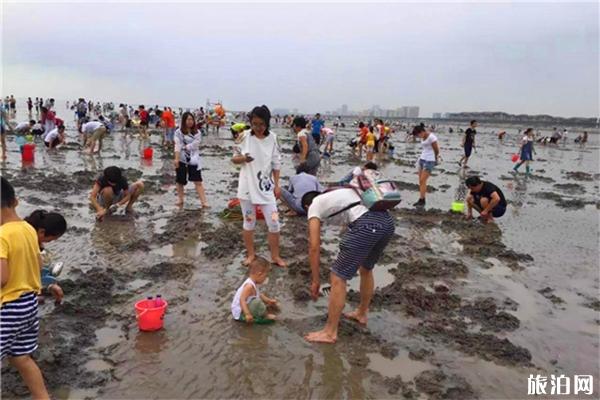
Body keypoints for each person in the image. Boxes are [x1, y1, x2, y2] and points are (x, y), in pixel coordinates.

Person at [300, 182, 395, 344]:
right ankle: (362, 313)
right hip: (387, 222)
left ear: (307, 206)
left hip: (367, 224)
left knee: (337, 276)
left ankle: (330, 332)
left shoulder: (314, 206)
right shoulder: (338, 194)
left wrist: (315, 280)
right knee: (366, 268)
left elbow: (314, 246)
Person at [0, 177, 50, 399]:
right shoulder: (28, 229)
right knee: (22, 358)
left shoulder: (1, 236)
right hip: (29, 305)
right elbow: (38, 264)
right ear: (15, 202)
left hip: (7, 309)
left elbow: (2, 278)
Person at [231, 105, 286, 267]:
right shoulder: (244, 136)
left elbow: (276, 164)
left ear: (267, 123)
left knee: (274, 222)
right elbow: (234, 159)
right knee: (249, 222)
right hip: (246, 189)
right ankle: (250, 255)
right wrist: (243, 159)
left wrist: (277, 185)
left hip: (266, 189)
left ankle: (275, 256)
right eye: (254, 124)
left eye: (261, 124)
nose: (258, 128)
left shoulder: (273, 138)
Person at [24, 210, 66, 303]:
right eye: (49, 240)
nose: (43, 245)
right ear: (41, 232)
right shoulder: (26, 244)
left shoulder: (23, 228)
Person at [174, 112, 209, 208]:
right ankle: (180, 199)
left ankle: (204, 202)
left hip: (193, 159)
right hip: (181, 158)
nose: (190, 121)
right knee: (180, 180)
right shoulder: (178, 132)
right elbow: (177, 145)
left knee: (198, 181)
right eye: (188, 119)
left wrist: (185, 147)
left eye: (191, 119)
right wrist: (176, 159)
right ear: (184, 121)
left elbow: (196, 144)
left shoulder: (197, 132)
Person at [231, 256, 278, 324]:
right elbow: (242, 300)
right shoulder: (249, 286)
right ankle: (265, 315)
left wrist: (268, 300)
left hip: (245, 306)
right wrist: (247, 314)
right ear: (260, 274)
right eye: (265, 276)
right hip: (240, 312)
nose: (266, 278)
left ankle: (260, 311)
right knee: (257, 303)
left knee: (258, 299)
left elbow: (259, 294)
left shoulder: (253, 282)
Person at [413, 125, 440, 207]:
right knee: (421, 181)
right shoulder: (423, 137)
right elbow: (425, 148)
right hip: (422, 159)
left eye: (418, 135)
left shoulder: (432, 137)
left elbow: (436, 150)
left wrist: (436, 159)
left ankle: (422, 200)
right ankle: (421, 199)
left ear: (422, 131)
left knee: (422, 180)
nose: (419, 137)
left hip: (430, 160)